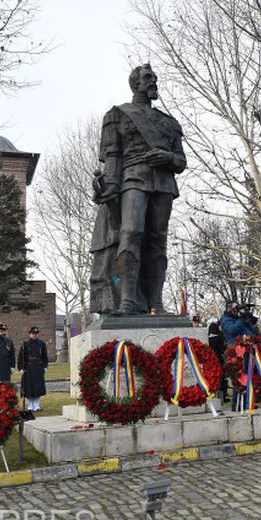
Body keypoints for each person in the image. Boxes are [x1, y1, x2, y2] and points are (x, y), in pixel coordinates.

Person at [89, 64, 187, 315]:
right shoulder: (118, 114)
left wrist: (168, 157)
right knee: (131, 233)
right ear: (135, 84)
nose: (153, 81)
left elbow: (181, 161)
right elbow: (113, 154)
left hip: (164, 184)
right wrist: (110, 185)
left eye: (154, 78)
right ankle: (128, 300)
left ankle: (156, 303)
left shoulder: (170, 123)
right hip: (133, 178)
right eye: (147, 78)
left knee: (158, 242)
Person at [18, 326, 49, 411]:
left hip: (38, 368)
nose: (34, 335)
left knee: (37, 387)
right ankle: (30, 405)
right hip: (28, 368)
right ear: (29, 334)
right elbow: (21, 357)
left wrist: (45, 366)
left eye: (36, 334)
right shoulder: (25, 344)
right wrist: (20, 368)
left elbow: (44, 357)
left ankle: (37, 405)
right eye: (32, 333)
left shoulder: (41, 344)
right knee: (29, 387)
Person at [206, 317, 228, 402]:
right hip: (219, 358)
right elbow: (222, 347)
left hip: (212, 360)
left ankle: (217, 396)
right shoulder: (219, 337)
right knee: (222, 378)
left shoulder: (209, 338)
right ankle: (223, 396)